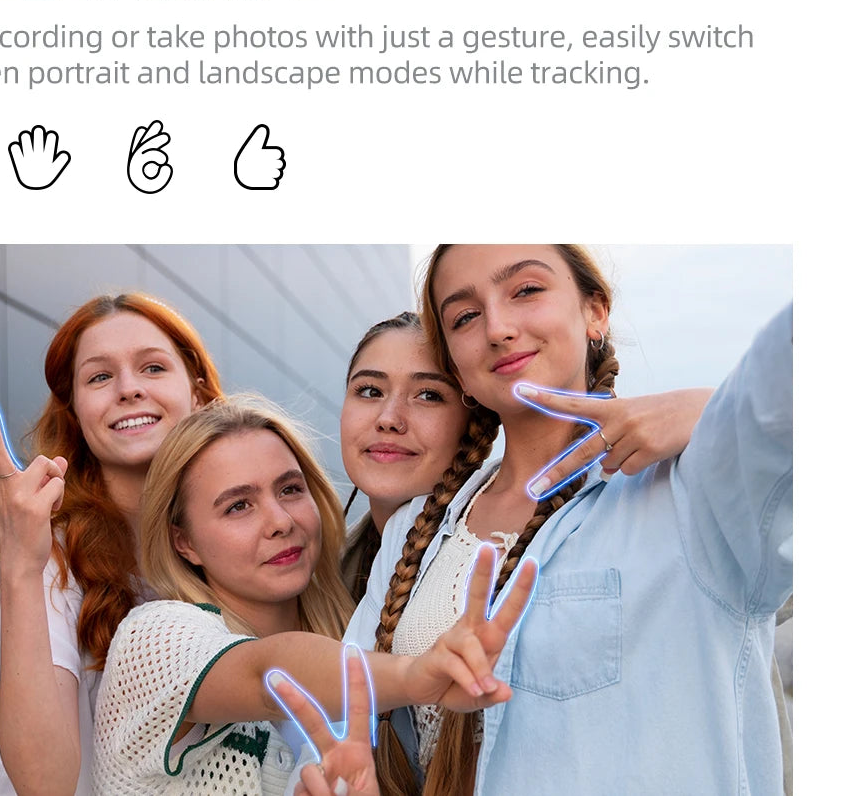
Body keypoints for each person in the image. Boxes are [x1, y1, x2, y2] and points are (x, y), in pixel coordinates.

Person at [344, 245, 792, 795]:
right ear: (457, 367)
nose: (498, 328)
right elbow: (340, 716)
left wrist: (707, 406)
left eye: (526, 290)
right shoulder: (416, 528)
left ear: (595, 312)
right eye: (465, 316)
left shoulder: (693, 489)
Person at [92, 395, 539, 795]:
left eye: (289, 489)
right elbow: (268, 673)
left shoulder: (364, 633)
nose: (280, 521)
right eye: (238, 506)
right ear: (183, 542)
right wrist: (414, 677)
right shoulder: (151, 638)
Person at [0, 293, 224, 796]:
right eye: (99, 377)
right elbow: (45, 784)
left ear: (198, 393)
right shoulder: (50, 558)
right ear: (76, 414)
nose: (129, 389)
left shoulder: (223, 544)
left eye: (153, 367)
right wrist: (22, 564)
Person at [337, 311, 714, 605]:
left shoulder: (545, 528)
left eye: (429, 395)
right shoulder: (318, 569)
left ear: (475, 418)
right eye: (369, 390)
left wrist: (710, 411)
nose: (388, 419)